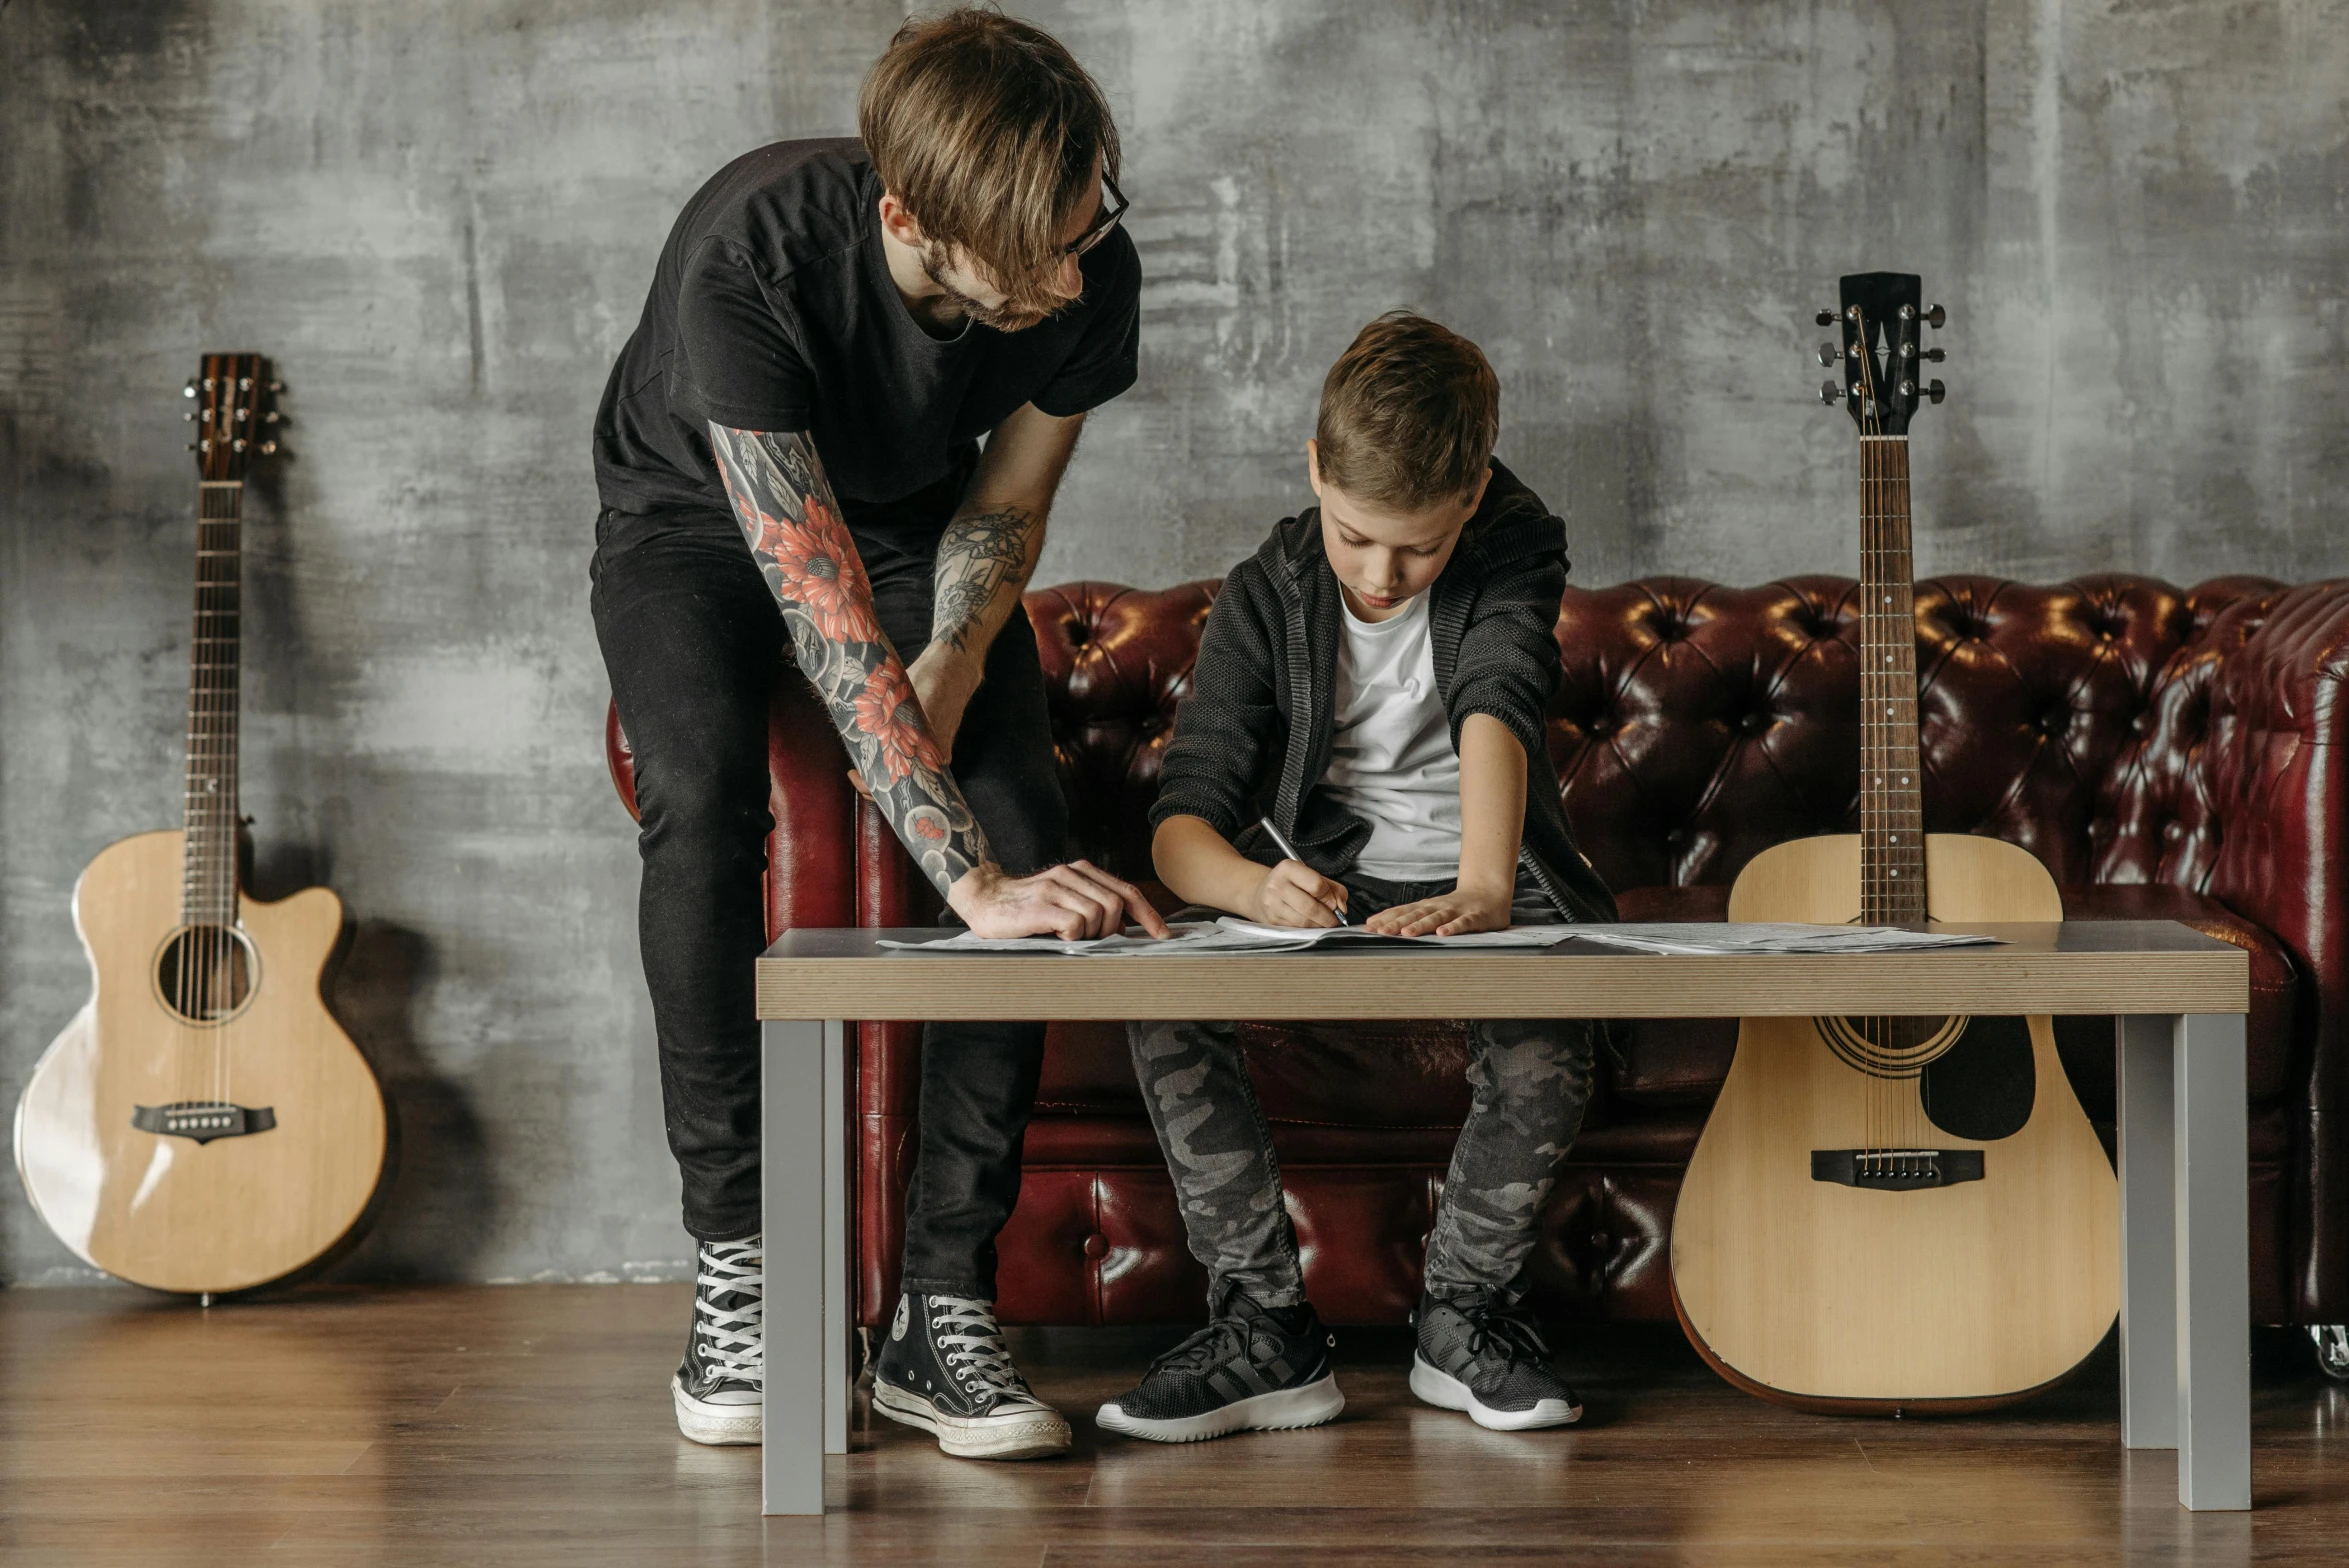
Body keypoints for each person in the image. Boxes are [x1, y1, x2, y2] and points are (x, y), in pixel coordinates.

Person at [590, 9, 1166, 1460]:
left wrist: (964, 657)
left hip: (920, 524)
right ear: (908, 218)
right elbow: (818, 607)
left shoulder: (1076, 256)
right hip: (698, 522)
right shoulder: (754, 257)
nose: (1068, 274)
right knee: (704, 796)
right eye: (1029, 256)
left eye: (1082, 228)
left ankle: (936, 1304)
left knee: (1031, 831)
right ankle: (745, 1264)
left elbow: (1010, 500)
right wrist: (958, 882)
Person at [1095, 312, 1618, 1445]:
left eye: (1418, 548)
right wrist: (1249, 887)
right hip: (1323, 886)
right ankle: (1266, 1331)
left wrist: (1484, 890)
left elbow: (1498, 692)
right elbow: (1183, 821)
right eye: (1355, 537)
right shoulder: (1264, 592)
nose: (1384, 574)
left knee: (1550, 1031)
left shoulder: (1517, 546)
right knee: (1160, 997)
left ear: (1473, 494)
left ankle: (1464, 1316)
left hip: (1495, 871)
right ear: (1315, 470)